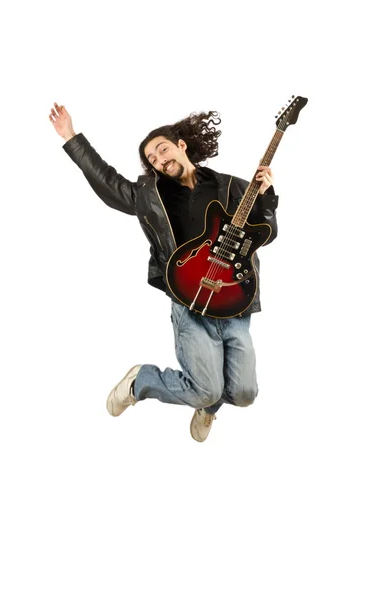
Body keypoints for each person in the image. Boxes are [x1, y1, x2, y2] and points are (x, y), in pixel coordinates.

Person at [49, 102, 279, 442]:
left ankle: (209, 405)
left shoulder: (231, 187)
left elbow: (264, 234)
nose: (158, 160)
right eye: (152, 160)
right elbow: (109, 183)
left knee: (244, 394)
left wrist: (267, 196)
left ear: (181, 145)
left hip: (233, 300)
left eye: (162, 150)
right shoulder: (149, 194)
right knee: (205, 389)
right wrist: (71, 137)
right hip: (187, 297)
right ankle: (141, 381)